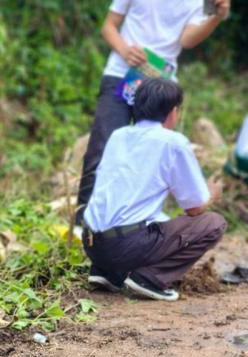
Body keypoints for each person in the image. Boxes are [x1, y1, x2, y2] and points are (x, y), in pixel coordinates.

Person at [76, 0, 231, 223]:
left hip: (160, 82)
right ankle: (84, 225)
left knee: (156, 154)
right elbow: (109, 26)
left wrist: (216, 17)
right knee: (100, 148)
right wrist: (125, 50)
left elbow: (187, 40)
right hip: (121, 73)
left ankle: (136, 224)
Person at [83, 78, 225, 302]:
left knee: (150, 220)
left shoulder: (119, 136)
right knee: (213, 223)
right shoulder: (173, 142)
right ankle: (150, 278)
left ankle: (107, 272)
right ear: (172, 112)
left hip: (92, 243)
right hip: (124, 247)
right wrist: (211, 194)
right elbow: (195, 209)